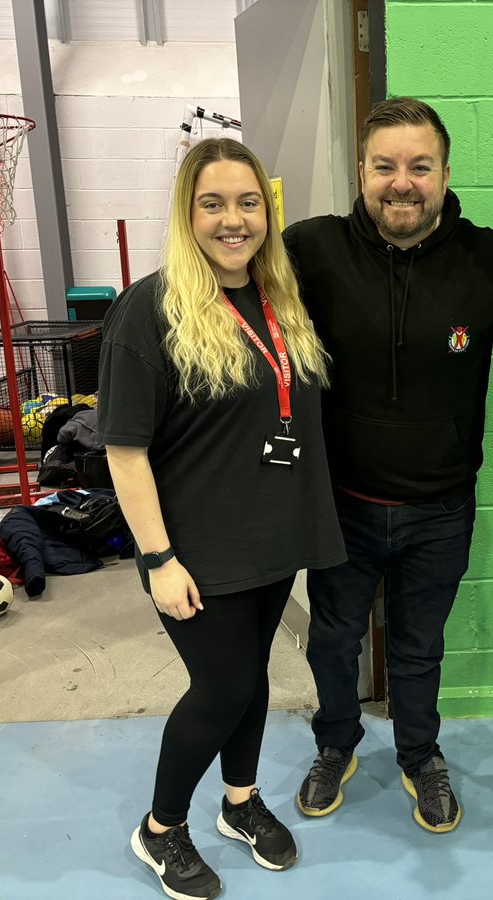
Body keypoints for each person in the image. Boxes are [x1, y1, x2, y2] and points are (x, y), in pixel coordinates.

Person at [99, 137, 345, 900]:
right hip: (194, 548)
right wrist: (159, 559)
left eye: (248, 204)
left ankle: (239, 803)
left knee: (250, 681)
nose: (233, 220)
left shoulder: (278, 300)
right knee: (222, 686)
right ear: (187, 213)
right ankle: (161, 828)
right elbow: (125, 451)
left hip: (271, 534)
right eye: (213, 204)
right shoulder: (151, 308)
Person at [282, 97, 493, 833]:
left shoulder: (489, 260)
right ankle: (335, 744)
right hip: (342, 502)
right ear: (361, 172)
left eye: (419, 166)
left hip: (441, 506)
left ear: (445, 174)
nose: (401, 182)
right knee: (332, 639)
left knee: (419, 646)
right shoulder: (308, 251)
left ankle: (420, 755)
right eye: (385, 166)